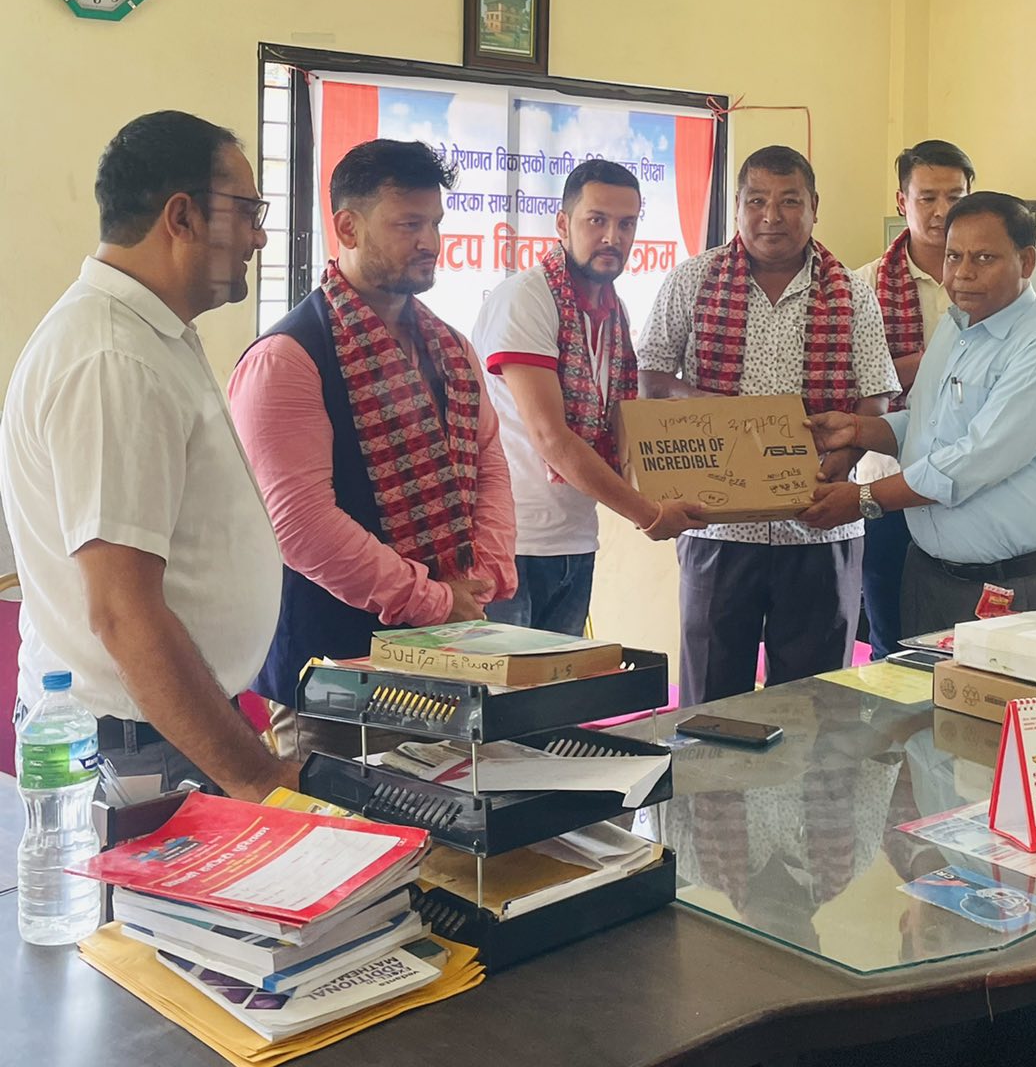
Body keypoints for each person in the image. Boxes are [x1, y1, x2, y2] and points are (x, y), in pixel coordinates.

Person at [0, 112, 295, 799]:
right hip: (141, 747)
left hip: (171, 732)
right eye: (248, 212)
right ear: (183, 217)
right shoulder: (113, 358)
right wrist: (256, 777)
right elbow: (123, 612)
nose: (260, 235)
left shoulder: (148, 334)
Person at [228, 139, 517, 761]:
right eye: (408, 224)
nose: (430, 242)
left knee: (447, 850)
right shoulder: (288, 358)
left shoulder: (450, 347)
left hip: (449, 663)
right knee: (344, 851)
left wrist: (483, 573)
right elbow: (301, 526)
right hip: (333, 684)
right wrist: (432, 600)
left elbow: (489, 465)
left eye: (435, 222)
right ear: (347, 226)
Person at [637, 145, 899, 708]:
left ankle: (810, 802)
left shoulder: (852, 292)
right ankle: (707, 800)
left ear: (814, 208)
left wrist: (836, 471)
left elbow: (874, 396)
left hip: (822, 524)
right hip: (717, 526)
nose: (771, 217)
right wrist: (723, 416)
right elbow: (653, 379)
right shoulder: (692, 280)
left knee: (814, 705)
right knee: (711, 699)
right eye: (756, 201)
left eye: (789, 202)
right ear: (736, 208)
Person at [806, 192, 1036, 635]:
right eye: (954, 256)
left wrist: (863, 499)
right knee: (922, 700)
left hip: (1009, 585)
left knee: (997, 704)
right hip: (930, 574)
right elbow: (924, 426)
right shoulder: (955, 327)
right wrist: (858, 429)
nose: (962, 273)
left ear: (1027, 262)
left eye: (984, 257)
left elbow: (972, 460)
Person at [472, 159, 705, 635]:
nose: (612, 237)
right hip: (512, 545)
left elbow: (617, 420)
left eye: (626, 224)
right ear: (562, 224)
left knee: (560, 701)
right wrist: (649, 513)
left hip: (575, 538)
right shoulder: (527, 298)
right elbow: (550, 437)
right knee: (502, 703)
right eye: (596, 220)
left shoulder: (610, 308)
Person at [854, 139, 975, 657]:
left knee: (971, 647)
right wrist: (934, 366)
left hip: (970, 481)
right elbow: (856, 387)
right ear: (903, 201)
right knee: (892, 643)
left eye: (954, 195)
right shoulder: (862, 285)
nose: (942, 210)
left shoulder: (987, 279)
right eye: (927, 197)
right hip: (886, 484)